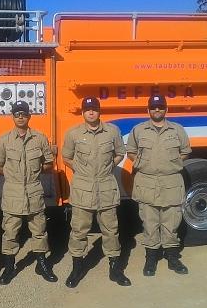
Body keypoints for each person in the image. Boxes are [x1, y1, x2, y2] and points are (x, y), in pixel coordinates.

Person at [62, 96, 131, 288]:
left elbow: (120, 152)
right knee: (79, 230)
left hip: (106, 186)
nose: (91, 112)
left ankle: (115, 269)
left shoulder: (112, 131)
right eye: (87, 109)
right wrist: (80, 170)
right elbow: (66, 156)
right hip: (83, 188)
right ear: (83, 112)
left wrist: (110, 167)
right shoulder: (73, 133)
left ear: (99, 111)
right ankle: (77, 268)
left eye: (94, 109)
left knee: (111, 229)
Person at [0, 100, 58, 285]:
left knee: (39, 231)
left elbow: (48, 163)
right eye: (17, 114)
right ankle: (9, 267)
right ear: (12, 116)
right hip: (12, 191)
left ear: (29, 116)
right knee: (10, 232)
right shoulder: (4, 140)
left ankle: (42, 264)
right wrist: (12, 174)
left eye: (23, 113)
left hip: (34, 190)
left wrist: (33, 173)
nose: (20, 116)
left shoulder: (40, 138)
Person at [126, 95, 191, 276]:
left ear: (166, 109)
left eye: (161, 107)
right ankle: (151, 258)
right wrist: (141, 163)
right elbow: (131, 151)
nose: (157, 110)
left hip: (171, 182)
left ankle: (172, 258)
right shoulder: (138, 130)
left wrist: (173, 163)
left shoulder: (177, 130)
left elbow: (185, 151)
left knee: (172, 222)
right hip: (146, 182)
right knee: (150, 222)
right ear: (148, 110)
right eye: (154, 107)